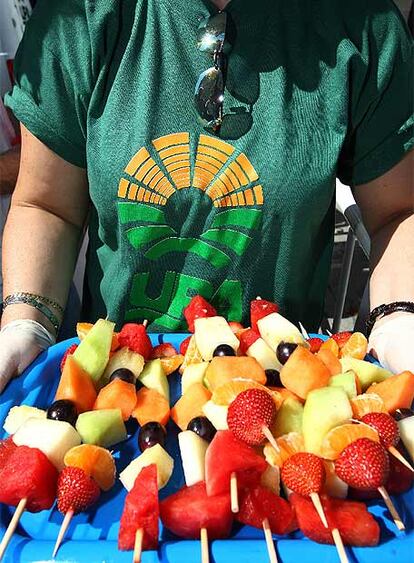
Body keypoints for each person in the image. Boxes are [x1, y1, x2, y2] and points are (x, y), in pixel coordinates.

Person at [0, 0, 412, 393]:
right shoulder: (80, 18)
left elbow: (397, 211)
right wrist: (25, 320)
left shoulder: (361, 25)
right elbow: (47, 204)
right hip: (112, 381)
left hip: (284, 385)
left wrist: (400, 321)